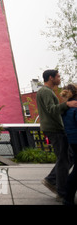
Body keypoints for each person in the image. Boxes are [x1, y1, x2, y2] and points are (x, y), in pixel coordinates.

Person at [37, 70, 77, 201]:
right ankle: (61, 192)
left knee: (67, 157)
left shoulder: (47, 92)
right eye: (58, 76)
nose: (60, 78)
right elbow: (51, 110)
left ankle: (52, 180)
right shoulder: (45, 92)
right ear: (51, 77)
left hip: (56, 128)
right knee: (64, 159)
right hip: (54, 129)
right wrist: (67, 104)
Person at [60, 83, 77, 205]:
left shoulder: (67, 107)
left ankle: (68, 197)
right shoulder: (75, 106)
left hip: (72, 140)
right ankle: (68, 198)